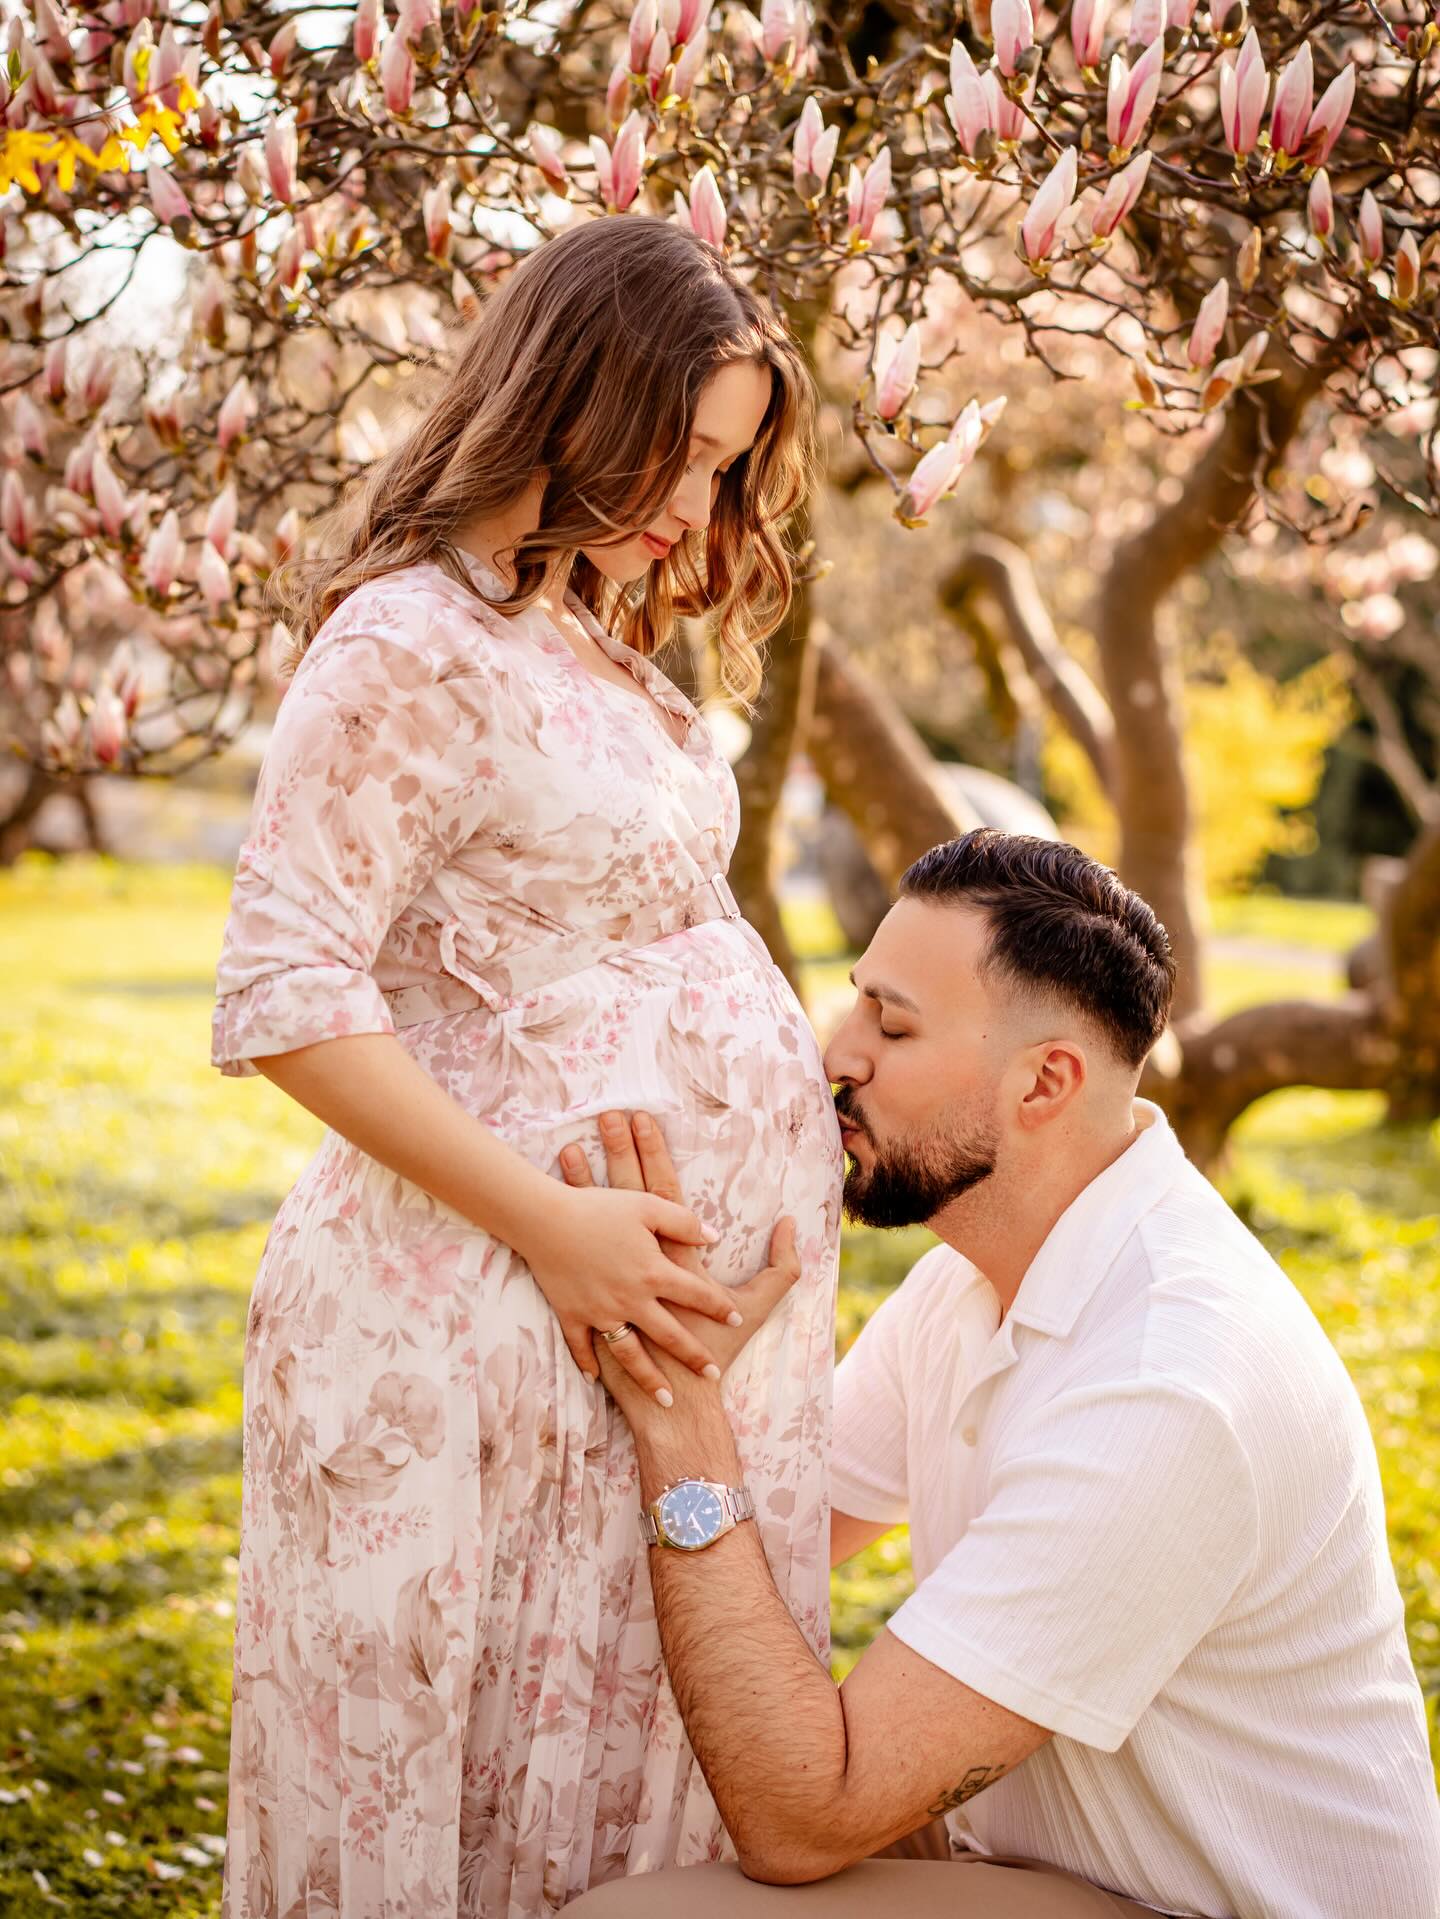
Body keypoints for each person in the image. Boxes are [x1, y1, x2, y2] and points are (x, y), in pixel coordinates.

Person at [209, 216, 844, 1919]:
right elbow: (284, 987)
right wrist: (559, 1230)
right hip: (474, 1315)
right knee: (468, 1807)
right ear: (570, 397)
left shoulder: (587, 639)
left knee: (615, 1791)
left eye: (723, 472)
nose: (698, 513)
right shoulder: (405, 643)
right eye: (681, 456)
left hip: (629, 1342)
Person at [561, 831, 1440, 1919]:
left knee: (632, 1918)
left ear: (1045, 1081)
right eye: (854, 1004)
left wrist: (681, 1418)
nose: (833, 1054)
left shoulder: (1169, 1382)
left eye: (891, 1023)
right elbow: (784, 1531)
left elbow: (804, 1815)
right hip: (1052, 1875)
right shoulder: (973, 1284)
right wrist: (683, 1334)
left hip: (1213, 1906)